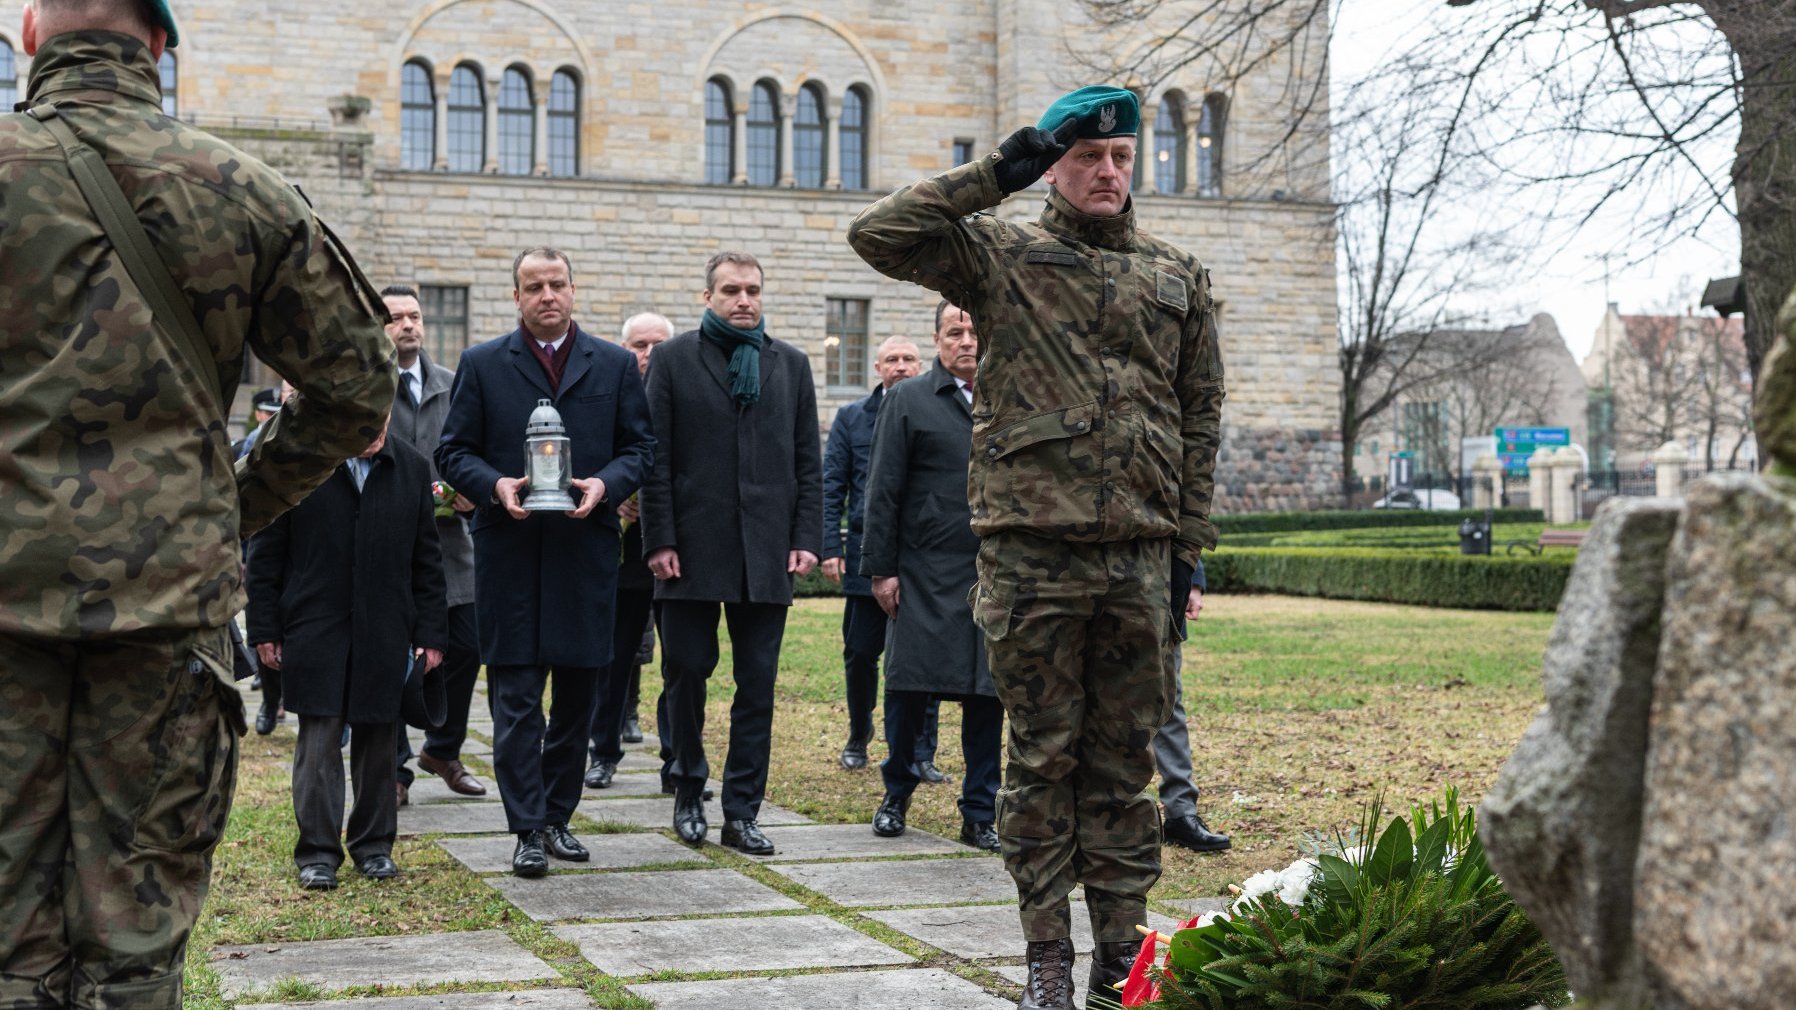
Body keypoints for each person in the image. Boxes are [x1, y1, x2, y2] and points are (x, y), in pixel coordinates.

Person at [0, 0, 395, 1003]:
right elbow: (356, 387)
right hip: (167, 615)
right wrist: (228, 502)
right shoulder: (244, 190)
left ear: (31, 35)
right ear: (159, 45)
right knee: (135, 945)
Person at [848, 86, 1226, 1010]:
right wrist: (1003, 167)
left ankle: (1121, 956)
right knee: (1040, 759)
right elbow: (878, 234)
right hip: (1031, 560)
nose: (1107, 172)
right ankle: (1047, 954)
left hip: (1140, 558)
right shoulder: (999, 253)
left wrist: (1190, 546)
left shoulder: (1176, 272)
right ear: (1058, 163)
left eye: (1121, 157)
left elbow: (1201, 415)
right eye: (1087, 155)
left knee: (1124, 765)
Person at [437, 248, 655, 878]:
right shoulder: (482, 364)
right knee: (516, 702)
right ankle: (526, 827)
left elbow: (641, 446)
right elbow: (453, 452)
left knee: (578, 702)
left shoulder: (613, 366)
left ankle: (559, 815)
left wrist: (607, 485)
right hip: (510, 553)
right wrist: (495, 486)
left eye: (556, 284)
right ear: (517, 298)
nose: (547, 295)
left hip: (583, 556)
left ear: (573, 289)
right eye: (534, 287)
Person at [640, 251, 822, 856]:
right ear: (708, 297)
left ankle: (742, 810)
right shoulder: (671, 360)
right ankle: (689, 788)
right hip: (690, 551)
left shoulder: (790, 366)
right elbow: (655, 458)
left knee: (758, 686)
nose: (743, 300)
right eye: (730, 291)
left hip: (766, 552)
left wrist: (805, 539)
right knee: (686, 671)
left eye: (752, 291)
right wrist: (659, 539)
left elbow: (807, 464)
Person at [246, 416, 447, 890]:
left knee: (380, 741)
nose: (372, 432)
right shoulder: (301, 463)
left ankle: (374, 847)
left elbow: (427, 558)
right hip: (314, 623)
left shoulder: (412, 468)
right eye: (363, 420)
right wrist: (264, 628)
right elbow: (266, 554)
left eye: (380, 422)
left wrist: (432, 634)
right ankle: (316, 854)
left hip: (385, 627)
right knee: (318, 740)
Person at [861, 301, 1003, 854]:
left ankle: (979, 812)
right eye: (954, 331)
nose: (966, 341)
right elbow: (883, 489)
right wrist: (882, 569)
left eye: (974, 330)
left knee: (988, 697)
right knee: (908, 690)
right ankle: (896, 794)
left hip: (991, 573)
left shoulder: (1008, 397)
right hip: (921, 571)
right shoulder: (908, 399)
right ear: (938, 339)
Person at [822, 334, 946, 778]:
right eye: (890, 359)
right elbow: (832, 485)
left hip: (926, 559)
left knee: (926, 657)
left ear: (921, 364)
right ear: (877, 368)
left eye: (908, 359)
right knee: (860, 652)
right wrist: (829, 548)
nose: (900, 366)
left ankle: (921, 750)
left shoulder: (942, 410)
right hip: (868, 556)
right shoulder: (852, 418)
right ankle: (859, 734)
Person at [382, 284, 487, 804]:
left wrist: (473, 492)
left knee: (467, 645)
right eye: (396, 317)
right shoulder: (367, 387)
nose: (409, 325)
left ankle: (442, 749)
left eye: (415, 316)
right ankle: (395, 768)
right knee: (393, 653)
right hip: (387, 550)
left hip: (451, 545)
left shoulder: (453, 383)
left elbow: (472, 450)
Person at [584, 311, 673, 789]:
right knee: (614, 656)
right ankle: (604, 750)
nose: (648, 353)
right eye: (640, 344)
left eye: (658, 344)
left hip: (675, 548)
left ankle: (675, 759)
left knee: (681, 660)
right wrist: (617, 499)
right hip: (622, 550)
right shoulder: (612, 389)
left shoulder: (681, 388)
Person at [1152, 560, 1231, 853]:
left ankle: (1181, 814)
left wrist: (1193, 581)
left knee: (1168, 706)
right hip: (1089, 596)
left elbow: (1187, 516)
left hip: (1159, 598)